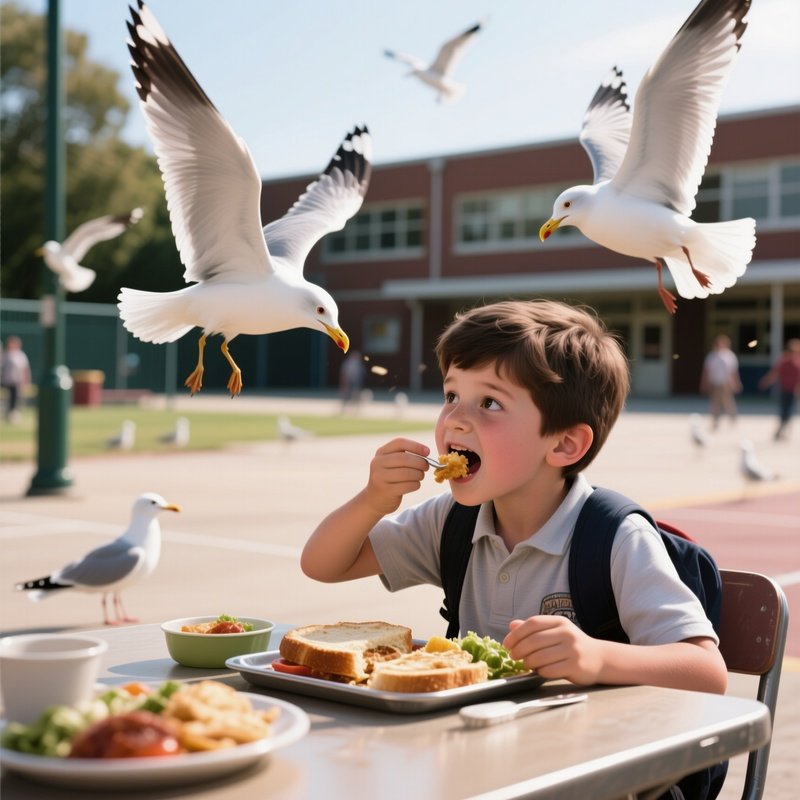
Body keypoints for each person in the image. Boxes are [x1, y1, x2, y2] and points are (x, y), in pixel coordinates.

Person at [302, 299, 727, 693]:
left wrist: (597, 657)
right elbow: (322, 565)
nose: (455, 419)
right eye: (452, 395)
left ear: (563, 445)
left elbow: (707, 672)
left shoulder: (615, 538)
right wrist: (373, 500)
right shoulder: (451, 520)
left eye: (489, 402)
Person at [759, 338, 800, 441]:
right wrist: (766, 382)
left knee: (789, 411)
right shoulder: (783, 362)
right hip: (784, 389)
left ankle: (783, 429)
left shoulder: (798, 363)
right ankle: (782, 429)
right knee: (784, 410)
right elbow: (774, 374)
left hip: (793, 391)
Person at [700, 334, 741, 429]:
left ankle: (732, 419)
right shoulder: (712, 356)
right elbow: (707, 371)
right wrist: (704, 383)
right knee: (715, 403)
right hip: (715, 382)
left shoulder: (729, 356)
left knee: (728, 402)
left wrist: (736, 383)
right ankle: (715, 421)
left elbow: (733, 371)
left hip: (726, 383)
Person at [0, 335, 31, 424]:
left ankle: (12, 413)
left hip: (15, 381)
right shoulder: (5, 354)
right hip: (4, 380)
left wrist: (25, 381)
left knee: (14, 397)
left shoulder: (21, 355)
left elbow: (25, 369)